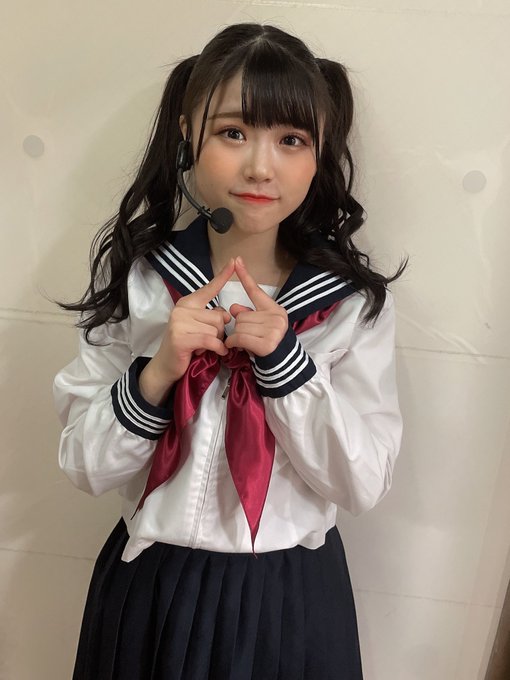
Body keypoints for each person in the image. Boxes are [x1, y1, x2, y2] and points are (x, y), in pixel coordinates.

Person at [54, 22, 406, 680]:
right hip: (150, 586)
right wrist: (157, 373)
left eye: (291, 139)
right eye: (233, 132)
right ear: (188, 132)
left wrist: (288, 368)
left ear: (321, 151)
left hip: (290, 598)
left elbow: (362, 483)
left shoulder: (351, 304)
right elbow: (84, 465)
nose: (260, 167)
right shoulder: (140, 279)